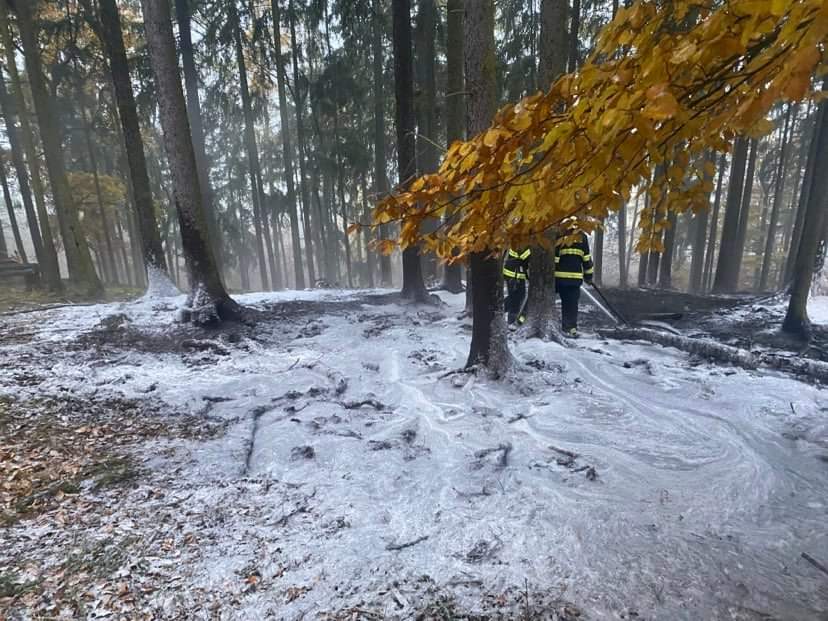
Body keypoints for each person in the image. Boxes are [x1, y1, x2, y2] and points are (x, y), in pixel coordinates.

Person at [555, 231, 593, 337]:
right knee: (571, 305)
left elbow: (555, 257)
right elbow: (586, 258)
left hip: (558, 278)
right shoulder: (582, 237)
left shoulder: (560, 234)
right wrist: (588, 276)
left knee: (543, 297)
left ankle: (523, 318)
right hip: (574, 279)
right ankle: (570, 329)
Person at [502, 247, 530, 325]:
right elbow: (525, 256)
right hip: (513, 275)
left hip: (517, 274)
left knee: (519, 296)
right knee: (514, 300)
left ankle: (497, 309)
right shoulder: (521, 243)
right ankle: (511, 321)